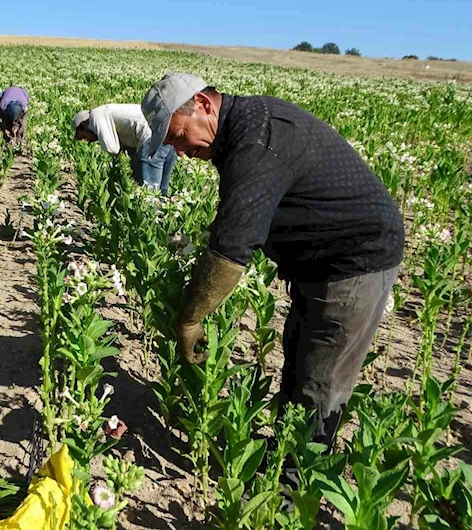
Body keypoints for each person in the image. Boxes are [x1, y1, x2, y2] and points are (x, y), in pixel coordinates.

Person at [141, 72, 404, 456]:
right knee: (300, 357)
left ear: (202, 104)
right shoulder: (242, 128)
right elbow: (242, 212)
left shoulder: (257, 138)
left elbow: (234, 244)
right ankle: (285, 453)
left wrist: (190, 318)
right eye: (171, 143)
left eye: (179, 136)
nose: (179, 151)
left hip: (354, 260)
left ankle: (297, 481)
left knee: (321, 377)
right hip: (320, 263)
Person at [72, 104, 178, 195]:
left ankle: (151, 216)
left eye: (81, 136)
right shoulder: (108, 113)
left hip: (151, 135)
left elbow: (112, 148)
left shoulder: (96, 115)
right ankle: (162, 216)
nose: (85, 141)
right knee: (161, 189)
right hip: (166, 131)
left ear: (82, 125)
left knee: (149, 189)